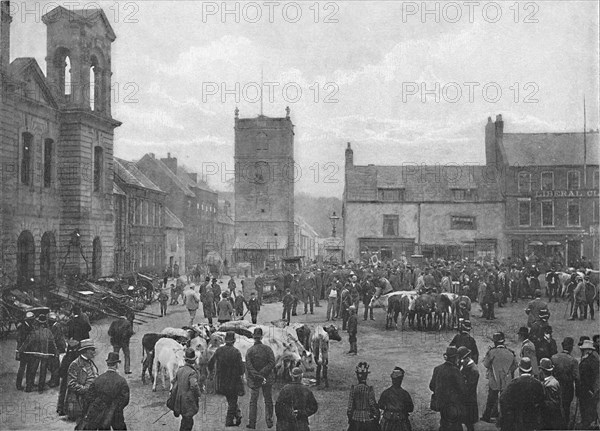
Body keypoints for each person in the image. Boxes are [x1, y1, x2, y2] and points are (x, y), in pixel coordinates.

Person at [79, 352, 130, 430]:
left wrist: (98, 406)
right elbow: (125, 399)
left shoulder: (98, 379)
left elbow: (89, 397)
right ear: (117, 365)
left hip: (100, 413)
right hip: (116, 414)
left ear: (108, 365)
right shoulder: (121, 381)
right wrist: (116, 408)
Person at [58, 306, 91, 416]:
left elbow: (67, 335)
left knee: (64, 384)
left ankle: (60, 408)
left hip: (69, 355)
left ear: (73, 312)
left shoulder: (70, 322)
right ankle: (78, 409)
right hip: (78, 354)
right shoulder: (84, 322)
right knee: (81, 381)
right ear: (81, 311)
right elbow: (87, 334)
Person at [208, 331, 245, 427]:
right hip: (233, 381)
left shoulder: (219, 350)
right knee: (232, 400)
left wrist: (211, 373)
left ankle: (237, 414)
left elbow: (210, 363)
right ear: (234, 341)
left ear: (225, 340)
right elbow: (241, 370)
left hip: (221, 381)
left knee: (230, 399)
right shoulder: (236, 352)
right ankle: (229, 421)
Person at [498, 357, 545, 431]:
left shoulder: (513, 384)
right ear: (531, 370)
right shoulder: (538, 384)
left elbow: (503, 399)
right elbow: (542, 402)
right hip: (533, 422)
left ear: (519, 370)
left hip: (517, 422)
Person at [480, 332, 518, 423]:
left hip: (494, 379)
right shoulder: (510, 352)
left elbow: (486, 364)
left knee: (491, 398)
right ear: (503, 341)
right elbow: (515, 365)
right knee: (506, 399)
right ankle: (505, 418)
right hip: (506, 379)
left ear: (495, 342)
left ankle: (488, 416)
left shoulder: (492, 352)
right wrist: (508, 371)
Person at [429, 346, 466, 431]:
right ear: (455, 358)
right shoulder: (455, 371)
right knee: (455, 426)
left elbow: (431, 386)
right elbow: (463, 390)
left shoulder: (437, 369)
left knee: (444, 424)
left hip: (441, 404)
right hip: (453, 405)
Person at [19, 313, 58, 393]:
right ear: (45, 323)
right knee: (43, 371)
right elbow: (53, 344)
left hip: (35, 354)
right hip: (45, 354)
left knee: (33, 370)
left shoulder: (34, 332)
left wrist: (21, 350)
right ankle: (40, 389)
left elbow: (27, 342)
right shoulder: (48, 332)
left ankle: (29, 387)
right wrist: (56, 352)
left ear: (38, 322)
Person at [246, 327, 276, 429]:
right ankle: (269, 420)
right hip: (267, 378)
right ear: (261, 337)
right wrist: (263, 373)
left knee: (253, 401)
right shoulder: (268, 349)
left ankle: (252, 423)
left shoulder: (250, 351)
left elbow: (249, 367)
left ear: (253, 337)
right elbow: (272, 362)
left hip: (254, 380)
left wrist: (257, 375)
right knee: (268, 399)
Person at [66, 339, 99, 423]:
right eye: (92, 350)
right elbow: (71, 384)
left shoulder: (91, 362)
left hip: (91, 397)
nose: (94, 352)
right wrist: (85, 389)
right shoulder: (75, 364)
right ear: (86, 351)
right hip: (80, 400)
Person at [170, 348, 202, 431]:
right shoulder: (192, 372)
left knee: (184, 421)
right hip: (188, 402)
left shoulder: (180, 370)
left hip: (179, 401)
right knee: (188, 423)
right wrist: (199, 393)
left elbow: (174, 382)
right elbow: (194, 385)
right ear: (193, 361)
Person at [551, 337, 580, 426]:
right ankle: (565, 426)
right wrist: (578, 391)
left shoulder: (553, 357)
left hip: (554, 387)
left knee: (555, 407)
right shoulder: (573, 360)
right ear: (571, 347)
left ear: (562, 345)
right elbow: (577, 378)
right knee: (566, 408)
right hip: (568, 388)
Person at [377, 367, 414, 431]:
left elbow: (380, 405)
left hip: (388, 422)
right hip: (401, 422)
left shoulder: (386, 393)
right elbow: (410, 408)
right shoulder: (405, 394)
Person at [347, 362, 379, 431]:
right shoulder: (369, 389)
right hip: (367, 419)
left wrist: (350, 418)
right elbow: (372, 404)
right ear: (366, 376)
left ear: (357, 376)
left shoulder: (354, 388)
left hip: (355, 419)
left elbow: (350, 407)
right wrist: (376, 415)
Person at [578, 339, 600, 429]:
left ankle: (588, 424)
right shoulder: (594, 360)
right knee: (592, 407)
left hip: (587, 390)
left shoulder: (586, 362)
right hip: (592, 389)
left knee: (586, 408)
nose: (582, 351)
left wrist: (588, 389)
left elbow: (586, 378)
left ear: (589, 350)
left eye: (584, 350)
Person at [538, 357, 565, 430]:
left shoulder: (549, 385)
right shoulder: (554, 380)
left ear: (541, 370)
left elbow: (551, 404)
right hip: (555, 418)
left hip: (550, 420)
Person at [457, 346, 479, 431]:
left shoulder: (473, 370)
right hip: (463, 400)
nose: (460, 360)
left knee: (469, 423)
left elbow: (470, 387)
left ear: (467, 357)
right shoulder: (463, 364)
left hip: (469, 400)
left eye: (462, 358)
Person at [15, 312, 35, 391]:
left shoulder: (30, 326)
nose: (33, 321)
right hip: (24, 351)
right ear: (29, 320)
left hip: (29, 351)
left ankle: (28, 384)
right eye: (32, 320)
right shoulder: (22, 327)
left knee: (29, 368)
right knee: (22, 368)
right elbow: (19, 339)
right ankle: (18, 385)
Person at [48, 312, 66, 388]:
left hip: (57, 348)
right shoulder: (56, 325)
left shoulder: (55, 327)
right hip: (57, 347)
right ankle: (54, 380)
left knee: (55, 365)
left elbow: (54, 338)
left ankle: (55, 382)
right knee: (53, 365)